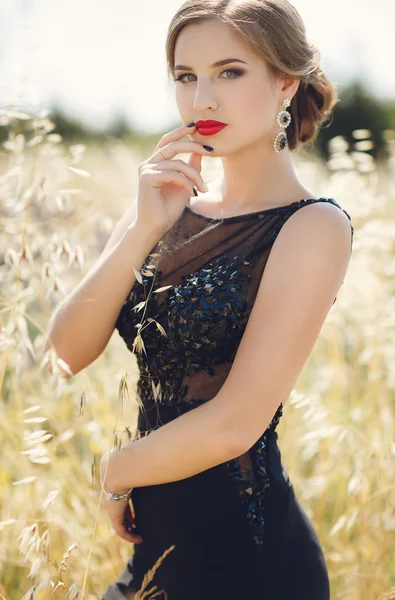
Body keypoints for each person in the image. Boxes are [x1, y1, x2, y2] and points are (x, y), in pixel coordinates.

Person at [45, 1, 354, 598]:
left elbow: (235, 424)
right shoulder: (160, 208)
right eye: (186, 77)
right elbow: (61, 355)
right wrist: (141, 228)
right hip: (152, 557)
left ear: (286, 81)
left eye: (229, 72)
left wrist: (116, 472)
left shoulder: (312, 225)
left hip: (248, 563)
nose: (201, 100)